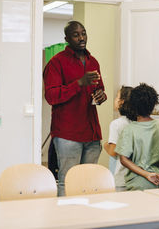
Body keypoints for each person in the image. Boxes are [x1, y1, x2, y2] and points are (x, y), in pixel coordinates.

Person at [43, 20, 107, 196]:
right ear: (67, 39)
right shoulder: (56, 63)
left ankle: (85, 220)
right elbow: (51, 96)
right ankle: (66, 220)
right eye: (76, 34)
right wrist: (79, 83)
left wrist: (101, 95)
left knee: (88, 181)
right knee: (68, 180)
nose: (81, 38)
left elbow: (99, 88)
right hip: (68, 134)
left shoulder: (93, 61)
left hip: (92, 133)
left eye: (83, 33)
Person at [115, 83, 159, 190]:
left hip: (136, 184)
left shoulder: (129, 130)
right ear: (153, 105)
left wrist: (146, 174)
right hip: (158, 182)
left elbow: (123, 159)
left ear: (132, 105)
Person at [103, 86, 133, 191]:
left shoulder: (116, 124)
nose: (115, 100)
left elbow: (113, 151)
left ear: (122, 102)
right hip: (132, 176)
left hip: (119, 176)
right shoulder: (136, 122)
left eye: (117, 97)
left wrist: (105, 145)